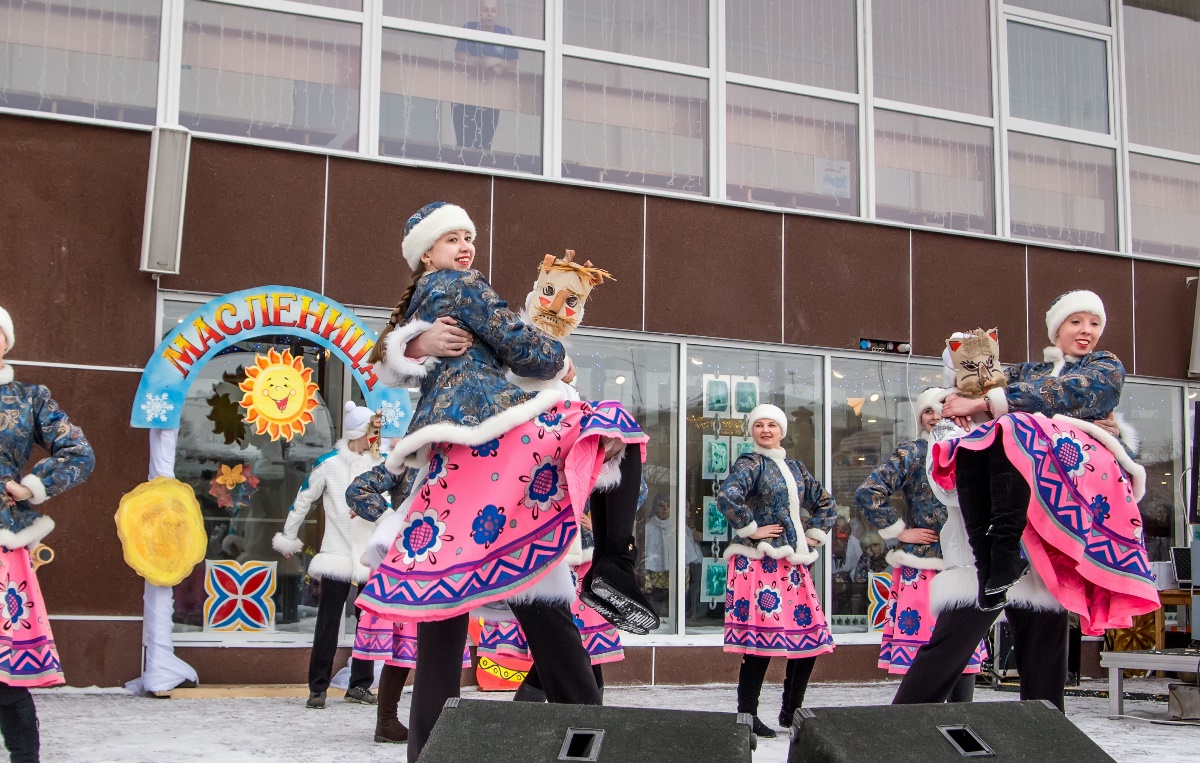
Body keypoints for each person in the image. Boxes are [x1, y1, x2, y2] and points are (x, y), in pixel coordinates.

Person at [346, 202, 648, 761]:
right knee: (614, 429)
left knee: (449, 612)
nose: (465, 246)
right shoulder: (465, 287)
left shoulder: (422, 298)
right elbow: (522, 347)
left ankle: (429, 751)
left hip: (450, 459)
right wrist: (558, 360)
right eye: (451, 238)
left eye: (468, 236)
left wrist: (414, 345)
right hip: (489, 428)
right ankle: (615, 562)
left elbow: (388, 355)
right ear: (427, 253)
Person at [894, 291, 1159, 711]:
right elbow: (981, 381)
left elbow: (1070, 392)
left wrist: (993, 403)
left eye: (1094, 322)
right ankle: (898, 731)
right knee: (949, 646)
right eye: (1076, 322)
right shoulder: (1018, 378)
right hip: (991, 545)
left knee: (1043, 664)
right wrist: (968, 387)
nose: (1086, 331)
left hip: (1051, 538)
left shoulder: (1103, 366)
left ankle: (1046, 737)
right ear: (1056, 329)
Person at [0, 305, 95, 761]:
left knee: (4, 676)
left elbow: (79, 451)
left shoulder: (28, 398)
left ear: (6, 341)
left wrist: (31, 486)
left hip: (3, 541)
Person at [855, 388, 984, 702]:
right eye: (928, 411)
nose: (936, 416)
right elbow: (868, 491)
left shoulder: (974, 446)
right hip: (924, 564)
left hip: (964, 562)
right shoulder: (913, 452)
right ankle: (920, 722)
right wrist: (900, 531)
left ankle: (961, 718)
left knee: (963, 644)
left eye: (942, 409)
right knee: (928, 648)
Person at [719, 404, 837, 739]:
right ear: (752, 431)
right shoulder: (749, 463)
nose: (766, 430)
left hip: (792, 563)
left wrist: (813, 534)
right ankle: (747, 714)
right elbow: (727, 496)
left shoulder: (796, 468)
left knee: (810, 637)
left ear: (782, 431)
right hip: (758, 563)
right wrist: (751, 528)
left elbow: (826, 502)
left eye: (772, 425)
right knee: (759, 643)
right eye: (759, 425)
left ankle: (792, 710)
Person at [272, 401, 381, 709]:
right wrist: (289, 535)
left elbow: (392, 503)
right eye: (372, 430)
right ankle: (317, 687)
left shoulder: (382, 464)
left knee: (367, 623)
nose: (376, 436)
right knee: (328, 622)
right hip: (336, 553)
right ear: (359, 432)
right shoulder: (329, 464)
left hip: (370, 555)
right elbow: (303, 499)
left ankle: (359, 685)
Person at [453, 0, 518, 154]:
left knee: (485, 143)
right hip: (466, 93)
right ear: (478, 12)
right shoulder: (469, 28)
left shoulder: (505, 33)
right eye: (485, 10)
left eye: (493, 10)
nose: (489, 14)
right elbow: (459, 55)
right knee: (464, 142)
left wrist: (497, 61)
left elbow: (513, 63)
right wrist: (482, 62)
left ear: (498, 13)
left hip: (491, 96)